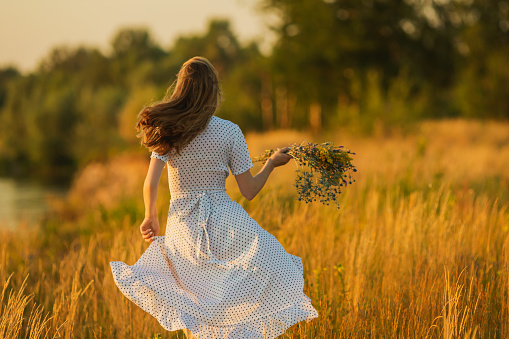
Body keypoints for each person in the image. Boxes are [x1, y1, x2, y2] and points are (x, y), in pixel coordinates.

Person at [109, 56, 318, 339]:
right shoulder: (230, 131)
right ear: (213, 91)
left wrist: (151, 216)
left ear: (180, 88)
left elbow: (150, 183)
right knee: (262, 273)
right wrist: (270, 163)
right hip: (226, 222)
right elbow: (249, 191)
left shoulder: (169, 129)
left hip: (183, 227)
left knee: (195, 304)